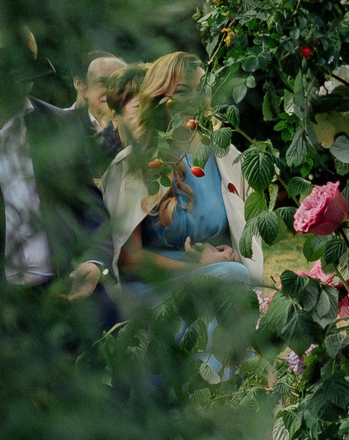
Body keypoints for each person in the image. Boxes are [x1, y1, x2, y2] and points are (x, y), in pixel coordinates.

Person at [98, 53, 259, 299]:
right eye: (183, 91)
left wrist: (229, 253)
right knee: (232, 278)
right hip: (154, 287)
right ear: (158, 97)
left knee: (234, 278)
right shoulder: (133, 163)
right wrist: (198, 267)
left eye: (200, 90)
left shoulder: (225, 158)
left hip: (218, 275)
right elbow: (130, 258)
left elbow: (242, 234)